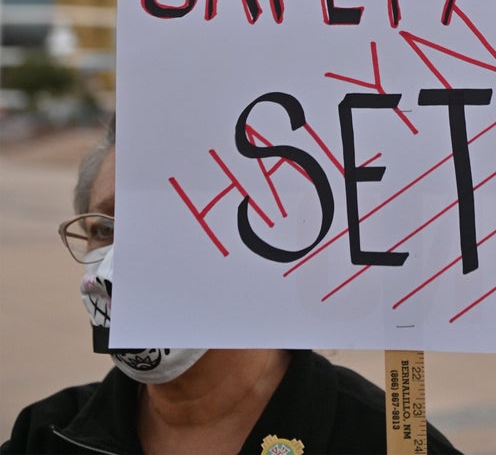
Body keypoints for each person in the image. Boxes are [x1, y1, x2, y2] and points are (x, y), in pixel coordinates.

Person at [2, 122, 462, 454]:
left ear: (259, 242)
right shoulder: (46, 436)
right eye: (104, 229)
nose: (123, 258)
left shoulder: (381, 440)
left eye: (170, 223)